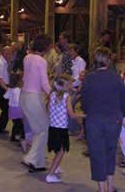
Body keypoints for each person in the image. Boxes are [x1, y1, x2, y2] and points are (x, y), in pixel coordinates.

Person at [81, 47, 125, 192]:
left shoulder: (89, 78)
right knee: (110, 152)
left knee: (97, 154)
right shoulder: (116, 77)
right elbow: (123, 101)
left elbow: (84, 103)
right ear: (108, 59)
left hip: (94, 121)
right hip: (113, 121)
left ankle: (102, 189)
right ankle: (110, 187)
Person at [20, 34, 51, 172]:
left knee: (39, 130)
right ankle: (31, 158)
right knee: (44, 129)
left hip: (24, 96)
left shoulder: (27, 57)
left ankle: (38, 162)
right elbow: (44, 82)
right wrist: (55, 95)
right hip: (33, 97)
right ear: (45, 47)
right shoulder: (41, 60)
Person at [46, 74, 85, 183]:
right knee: (61, 151)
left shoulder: (52, 94)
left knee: (57, 148)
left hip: (52, 127)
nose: (72, 86)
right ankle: (50, 175)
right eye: (70, 84)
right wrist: (83, 115)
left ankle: (55, 166)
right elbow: (72, 115)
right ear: (66, 86)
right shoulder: (66, 96)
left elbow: (48, 109)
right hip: (61, 128)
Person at [0, 46, 12, 134]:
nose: (10, 55)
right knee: (6, 108)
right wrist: (7, 89)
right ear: (4, 53)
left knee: (7, 108)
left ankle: (0, 128)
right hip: (1, 87)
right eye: (9, 53)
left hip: (3, 86)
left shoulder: (4, 62)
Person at [4, 72, 24, 142]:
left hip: (11, 109)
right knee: (20, 124)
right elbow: (18, 101)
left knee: (15, 123)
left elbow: (5, 96)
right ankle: (18, 137)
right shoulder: (18, 90)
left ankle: (13, 137)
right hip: (18, 109)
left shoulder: (11, 89)